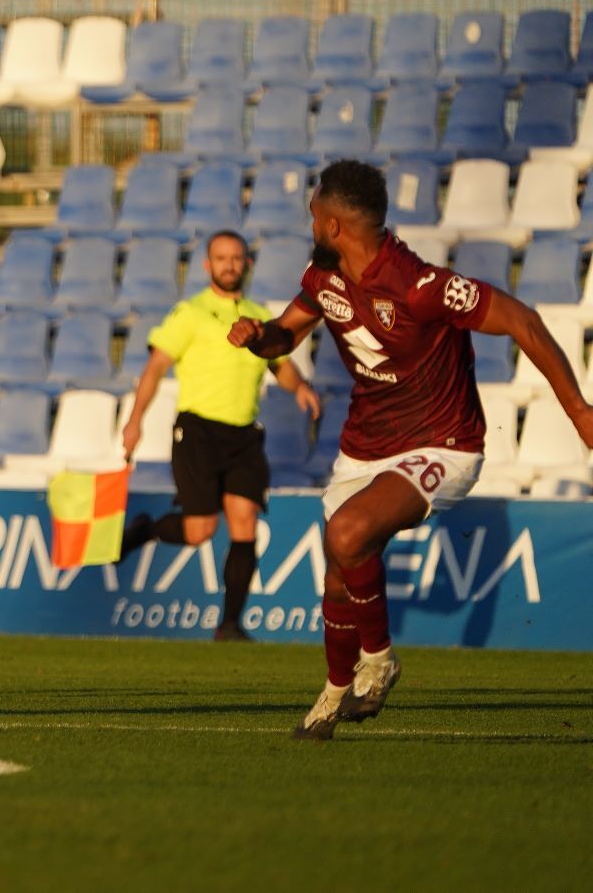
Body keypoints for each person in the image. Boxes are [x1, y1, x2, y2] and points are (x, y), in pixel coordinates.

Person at [228, 159, 593, 740]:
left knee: (346, 534)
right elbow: (287, 332)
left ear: (335, 227)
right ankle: (336, 690)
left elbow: (524, 321)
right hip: (365, 445)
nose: (311, 223)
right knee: (337, 579)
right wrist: (258, 338)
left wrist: (579, 412)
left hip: (441, 443)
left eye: (315, 215)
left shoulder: (420, 285)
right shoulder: (324, 276)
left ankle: (379, 659)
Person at [118, 230, 320, 641]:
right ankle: (146, 529)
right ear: (208, 266)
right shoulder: (190, 312)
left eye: (236, 258)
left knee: (244, 523)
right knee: (200, 531)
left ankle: (230, 625)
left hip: (245, 435)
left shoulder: (258, 314)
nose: (229, 265)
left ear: (246, 264)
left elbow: (279, 364)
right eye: (221, 258)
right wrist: (135, 418)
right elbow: (156, 367)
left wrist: (298, 386)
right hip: (198, 432)